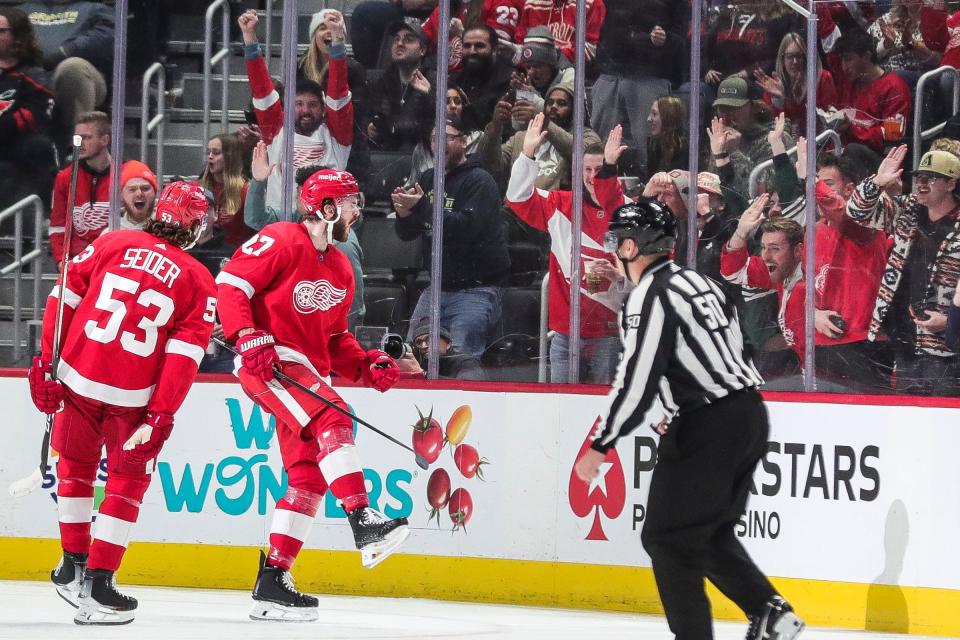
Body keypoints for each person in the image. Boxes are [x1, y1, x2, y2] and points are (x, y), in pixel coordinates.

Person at [574, 199, 804, 640]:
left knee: (668, 539)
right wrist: (672, 406)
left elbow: (637, 378)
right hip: (748, 413)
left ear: (629, 246)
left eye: (615, 244)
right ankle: (770, 611)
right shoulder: (701, 282)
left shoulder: (648, 295)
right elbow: (722, 350)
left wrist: (603, 444)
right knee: (705, 531)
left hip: (708, 423)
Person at [215, 169, 408, 621]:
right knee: (334, 414)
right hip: (270, 359)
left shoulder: (341, 266)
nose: (356, 211)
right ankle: (363, 522)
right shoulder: (280, 239)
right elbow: (230, 285)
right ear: (325, 208)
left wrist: (363, 363)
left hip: (304, 369)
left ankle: (273, 580)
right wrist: (246, 333)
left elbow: (335, 338)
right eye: (349, 202)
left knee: (308, 478)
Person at [28, 181, 217, 625]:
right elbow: (182, 358)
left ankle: (72, 564)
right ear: (194, 226)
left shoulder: (112, 240)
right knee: (126, 484)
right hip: (131, 399)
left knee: (74, 467)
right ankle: (98, 583)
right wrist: (162, 413)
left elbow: (63, 299)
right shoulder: (198, 279)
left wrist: (47, 362)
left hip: (76, 375)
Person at [505, 116, 631, 383]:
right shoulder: (560, 204)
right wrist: (527, 155)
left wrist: (620, 278)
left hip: (610, 334)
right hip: (566, 333)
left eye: (600, 168)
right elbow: (517, 198)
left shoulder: (628, 211)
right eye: (587, 169)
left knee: (605, 413)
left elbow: (651, 276)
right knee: (560, 410)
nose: (593, 176)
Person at [392, 115, 510, 359]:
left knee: (460, 358)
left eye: (447, 137)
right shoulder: (428, 179)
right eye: (435, 138)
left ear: (464, 142)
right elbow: (408, 235)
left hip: (475, 291)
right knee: (410, 355)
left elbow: (464, 229)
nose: (439, 143)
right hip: (435, 288)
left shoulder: (480, 181)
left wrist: (422, 207)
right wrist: (404, 215)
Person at [846, 146, 960, 396]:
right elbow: (856, 213)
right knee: (905, 424)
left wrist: (952, 322)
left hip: (948, 351)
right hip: (905, 341)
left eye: (931, 178)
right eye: (919, 177)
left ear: (951, 184)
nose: (921, 184)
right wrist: (877, 181)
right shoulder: (907, 210)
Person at [239, 9, 353, 219]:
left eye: (312, 104)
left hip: (323, 221)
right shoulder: (277, 131)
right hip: (279, 219)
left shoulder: (337, 137)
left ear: (324, 109)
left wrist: (337, 39)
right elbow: (262, 90)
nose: (305, 110)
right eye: (298, 104)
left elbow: (338, 92)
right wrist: (250, 38)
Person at [477, 78, 601, 192]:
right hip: (516, 210)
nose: (553, 107)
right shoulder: (521, 137)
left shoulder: (587, 135)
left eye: (562, 103)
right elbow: (491, 166)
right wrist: (495, 126)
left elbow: (582, 154)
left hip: (556, 210)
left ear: (575, 110)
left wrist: (543, 123)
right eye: (550, 102)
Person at [20, 0, 113, 135]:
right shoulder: (24, 10)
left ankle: (77, 149)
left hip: (80, 77)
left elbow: (106, 38)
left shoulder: (96, 9)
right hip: (30, 73)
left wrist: (65, 52)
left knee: (72, 67)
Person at [0, 6, 57, 210]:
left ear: (18, 37)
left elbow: (35, 115)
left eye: (1, 31)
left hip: (17, 142)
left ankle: (47, 214)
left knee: (38, 147)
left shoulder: (34, 75)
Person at [831, 28, 912, 154]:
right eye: (842, 60)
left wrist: (852, 129)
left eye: (848, 59)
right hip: (845, 154)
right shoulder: (850, 81)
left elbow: (892, 138)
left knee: (853, 150)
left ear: (867, 56)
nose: (844, 66)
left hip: (879, 160)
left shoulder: (894, 87)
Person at [49, 110, 112, 264]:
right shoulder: (65, 177)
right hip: (77, 261)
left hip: (113, 259)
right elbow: (58, 226)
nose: (80, 143)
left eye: (87, 137)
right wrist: (60, 260)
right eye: (77, 138)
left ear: (104, 140)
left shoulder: (125, 174)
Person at [365, 20, 434, 152]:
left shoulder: (434, 80)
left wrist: (428, 94)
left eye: (408, 40)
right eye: (396, 39)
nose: (400, 43)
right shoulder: (378, 81)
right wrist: (369, 128)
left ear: (422, 50)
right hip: (384, 154)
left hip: (419, 155)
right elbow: (366, 116)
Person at [754, 32, 838, 139]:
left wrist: (799, 101)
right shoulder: (774, 85)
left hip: (818, 143)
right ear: (782, 59)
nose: (795, 61)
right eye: (790, 57)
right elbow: (771, 126)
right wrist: (779, 100)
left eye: (799, 56)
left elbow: (830, 118)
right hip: (787, 144)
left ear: (806, 57)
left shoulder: (822, 78)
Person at [195, 133, 255, 251]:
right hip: (201, 255)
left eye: (216, 153)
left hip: (236, 257)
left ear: (230, 156)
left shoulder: (247, 192)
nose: (210, 157)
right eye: (208, 153)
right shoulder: (195, 188)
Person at [515, 0, 606, 65]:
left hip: (572, 76)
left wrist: (547, 59)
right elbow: (520, 46)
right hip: (533, 74)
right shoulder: (532, 4)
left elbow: (588, 50)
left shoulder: (593, 3)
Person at [397, 320, 486, 381]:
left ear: (448, 344)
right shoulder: (418, 362)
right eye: (419, 342)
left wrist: (421, 374)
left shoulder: (467, 362)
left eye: (430, 340)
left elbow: (470, 389)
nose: (424, 346)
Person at [645, 96, 689, 176]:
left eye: (654, 114)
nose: (648, 119)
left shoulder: (686, 150)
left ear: (668, 117)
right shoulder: (653, 146)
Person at [118, 160, 158, 230]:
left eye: (145, 188)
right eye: (132, 189)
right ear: (121, 196)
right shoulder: (111, 232)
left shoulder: (168, 230)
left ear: (155, 192)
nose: (139, 194)